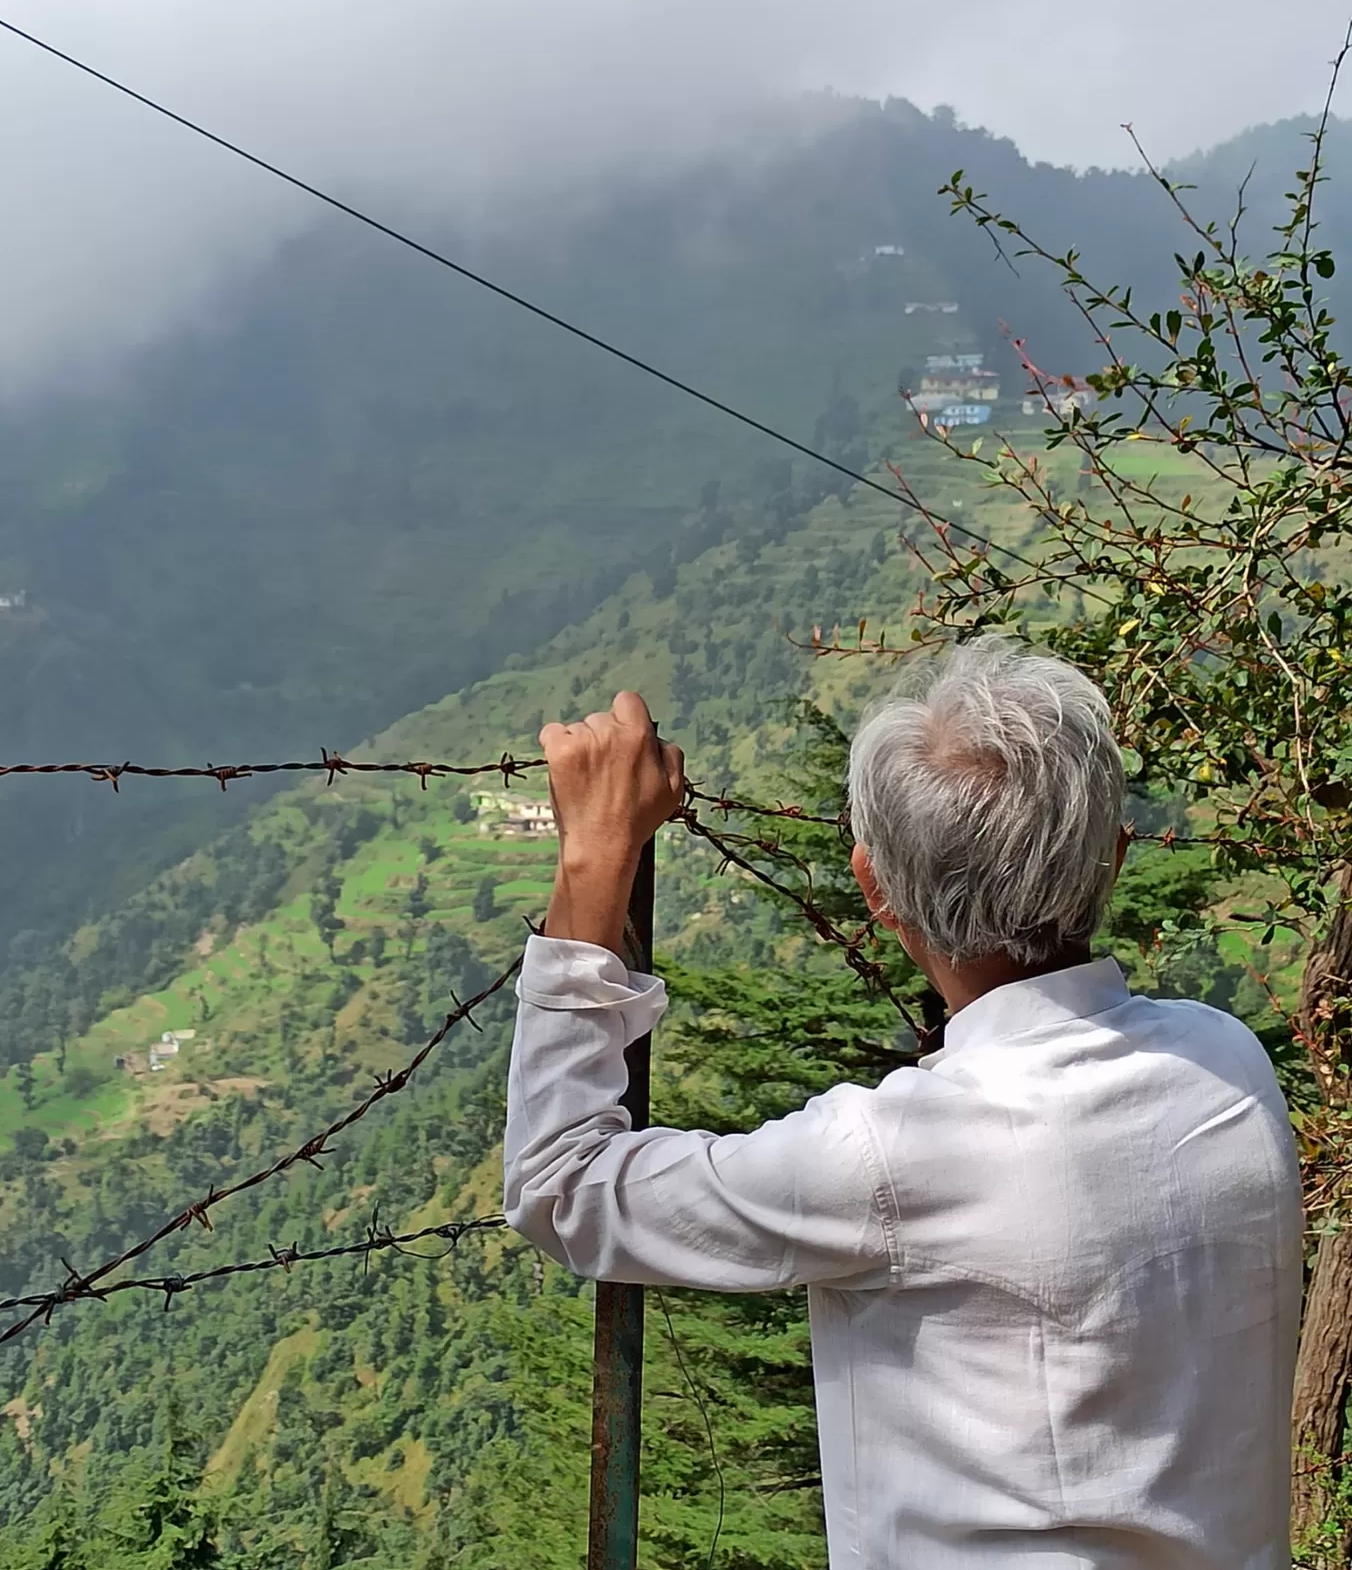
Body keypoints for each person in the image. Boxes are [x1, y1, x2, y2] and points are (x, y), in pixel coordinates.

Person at [503, 637, 1303, 1568]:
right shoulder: (1230, 1064)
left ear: (876, 890)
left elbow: (562, 1184)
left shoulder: (891, 1156)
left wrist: (598, 853)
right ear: (1113, 858)